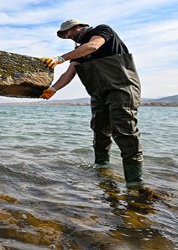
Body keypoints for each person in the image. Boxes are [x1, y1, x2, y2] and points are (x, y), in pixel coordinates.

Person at [41, 20, 144, 187]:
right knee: (100, 131)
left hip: (121, 88)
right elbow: (70, 72)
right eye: (64, 35)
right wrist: (53, 89)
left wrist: (60, 58)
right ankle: (102, 168)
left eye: (67, 32)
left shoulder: (102, 31)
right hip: (99, 93)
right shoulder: (78, 50)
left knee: (125, 132)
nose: (67, 36)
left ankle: (135, 183)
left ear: (78, 27)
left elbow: (94, 46)